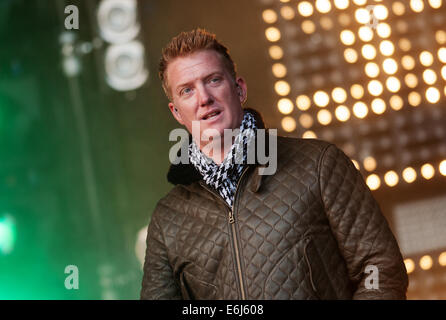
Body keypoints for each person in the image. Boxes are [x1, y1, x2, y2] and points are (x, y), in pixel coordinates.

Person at [140, 28, 408, 299]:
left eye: (213, 80)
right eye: (187, 90)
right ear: (176, 113)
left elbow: (379, 267)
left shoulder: (319, 166)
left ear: (239, 89)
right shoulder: (168, 219)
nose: (204, 98)